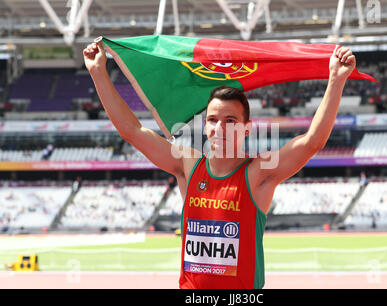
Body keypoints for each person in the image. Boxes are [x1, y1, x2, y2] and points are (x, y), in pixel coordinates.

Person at [84, 40, 357, 289]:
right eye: (213, 120)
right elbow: (132, 131)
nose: (220, 128)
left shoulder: (257, 173)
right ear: (206, 126)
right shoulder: (187, 165)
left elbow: (312, 142)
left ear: (246, 129)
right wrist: (98, 73)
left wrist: (336, 79)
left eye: (231, 121)